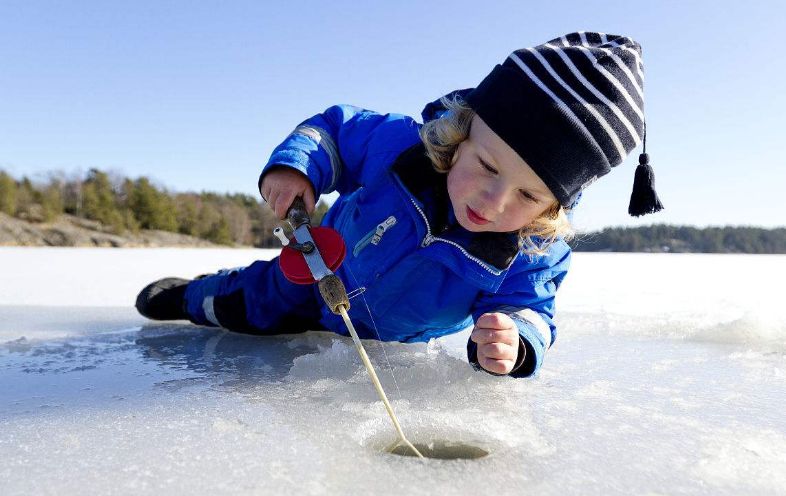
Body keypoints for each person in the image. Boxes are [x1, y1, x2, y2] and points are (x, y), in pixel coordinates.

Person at [135, 32, 662, 378]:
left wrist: (515, 340)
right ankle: (192, 299)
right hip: (318, 270)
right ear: (462, 134)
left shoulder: (531, 253)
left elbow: (530, 307)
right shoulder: (401, 148)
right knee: (249, 300)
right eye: (487, 166)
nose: (493, 201)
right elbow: (335, 133)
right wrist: (298, 166)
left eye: (528, 195)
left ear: (554, 207)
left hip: (390, 343)